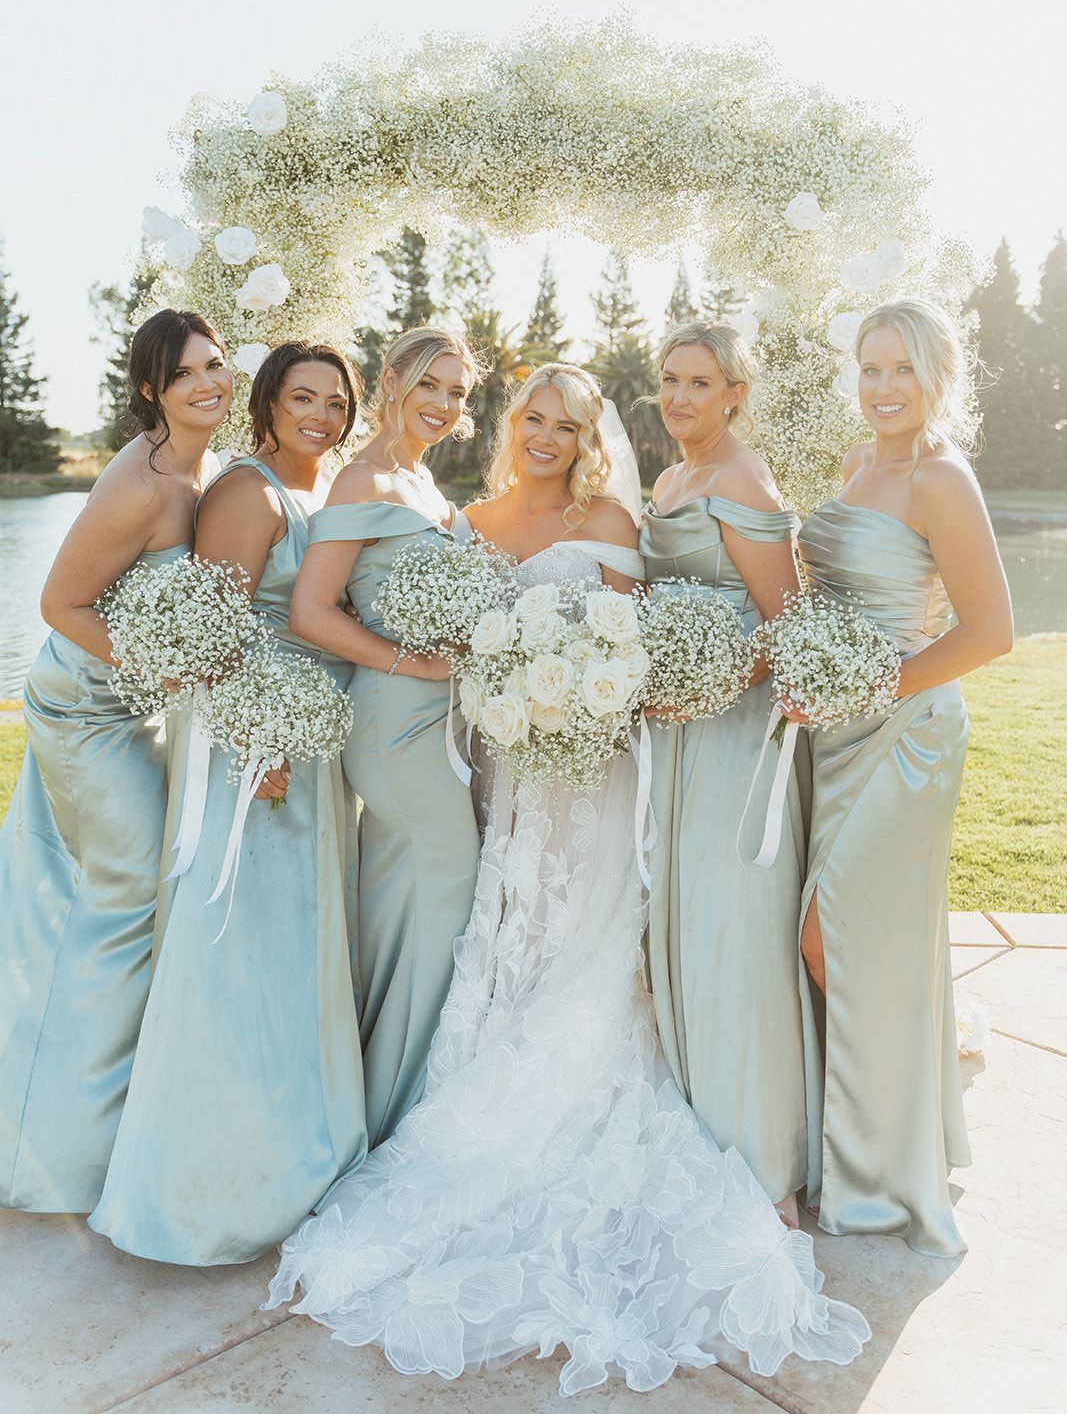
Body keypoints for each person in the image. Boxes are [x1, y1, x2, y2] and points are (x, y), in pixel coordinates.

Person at [267, 364, 869, 1397]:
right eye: (532, 417)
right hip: (508, 761)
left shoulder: (610, 514)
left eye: (568, 422)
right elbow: (451, 638)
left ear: (591, 433)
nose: (546, 434)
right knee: (507, 934)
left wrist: (597, 695)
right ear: (510, 424)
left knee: (594, 938)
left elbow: (632, 642)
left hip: (598, 758)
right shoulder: (469, 519)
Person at [89, 342, 367, 1263]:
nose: (320, 415)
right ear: (268, 404)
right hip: (256, 746)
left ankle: (298, 1157)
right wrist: (254, 736)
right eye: (302, 398)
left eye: (336, 400)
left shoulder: (326, 489)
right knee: (233, 953)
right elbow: (219, 634)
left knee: (292, 954)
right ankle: (208, 1190)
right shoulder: (248, 493)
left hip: (311, 745)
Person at [789, 298, 1013, 1256]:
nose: (882, 388)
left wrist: (864, 684)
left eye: (901, 371)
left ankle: (879, 1177)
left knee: (831, 941)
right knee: (849, 941)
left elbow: (989, 633)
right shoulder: (856, 464)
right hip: (832, 733)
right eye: (869, 368)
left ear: (935, 377)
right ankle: (862, 1143)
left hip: (907, 733)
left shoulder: (940, 479)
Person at [0, 309, 231, 1212]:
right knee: (127, 895)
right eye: (186, 376)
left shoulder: (204, 465)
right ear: (151, 392)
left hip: (138, 711)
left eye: (216, 365)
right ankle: (59, 1149)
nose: (208, 383)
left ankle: (121, 1111)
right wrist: (167, 666)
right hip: (84, 711)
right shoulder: (138, 485)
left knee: (139, 894)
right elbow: (61, 604)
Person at [288, 326, 484, 1148]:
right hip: (393, 725)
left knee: (405, 905)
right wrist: (415, 662)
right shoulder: (362, 479)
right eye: (429, 385)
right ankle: (402, 1111)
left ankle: (372, 1096)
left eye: (458, 392)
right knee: (452, 883)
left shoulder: (422, 478)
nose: (442, 404)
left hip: (436, 724)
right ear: (392, 380)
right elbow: (311, 610)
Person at [641, 321, 808, 1227]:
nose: (678, 398)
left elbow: (782, 623)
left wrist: (705, 687)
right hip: (670, 739)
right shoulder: (670, 479)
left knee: (732, 934)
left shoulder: (743, 478)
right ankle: (701, 1129)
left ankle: (764, 1160)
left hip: (731, 736)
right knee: (680, 924)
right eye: (668, 379)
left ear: (735, 393)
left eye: (698, 383)